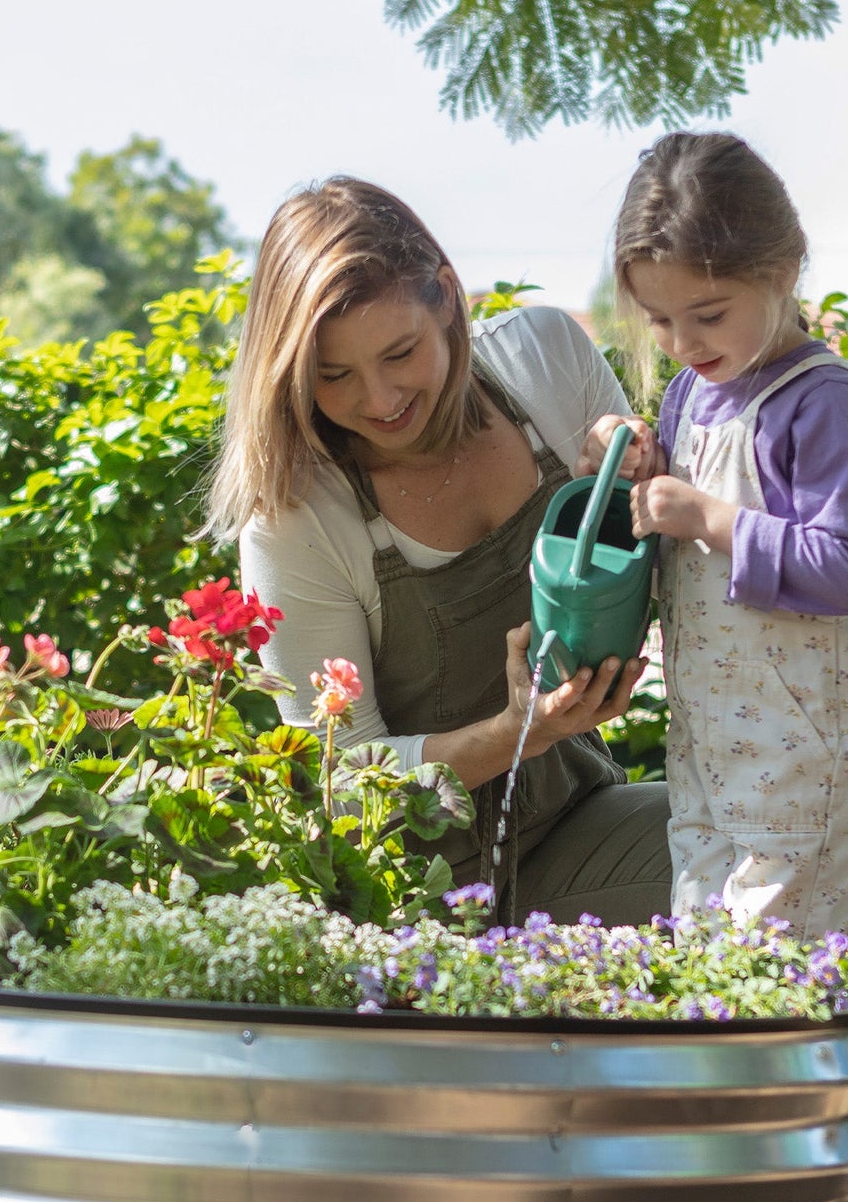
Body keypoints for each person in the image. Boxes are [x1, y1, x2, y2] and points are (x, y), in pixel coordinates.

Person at [207, 176, 671, 926]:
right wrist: (519, 730)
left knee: (795, 836)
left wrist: (639, 477)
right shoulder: (294, 520)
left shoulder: (546, 362)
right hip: (409, 898)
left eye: (400, 352)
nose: (380, 398)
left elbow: (666, 568)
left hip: (579, 820)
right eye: (334, 376)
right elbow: (343, 781)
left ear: (448, 297)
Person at [580, 132, 848, 941]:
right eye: (658, 320)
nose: (684, 344)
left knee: (780, 958)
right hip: (715, 742)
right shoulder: (696, 393)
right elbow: (687, 503)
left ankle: (801, 1071)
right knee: (709, 942)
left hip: (809, 755)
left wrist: (708, 519)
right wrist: (643, 460)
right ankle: (722, 1070)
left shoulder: (820, 402)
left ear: (782, 273)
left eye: (709, 314)